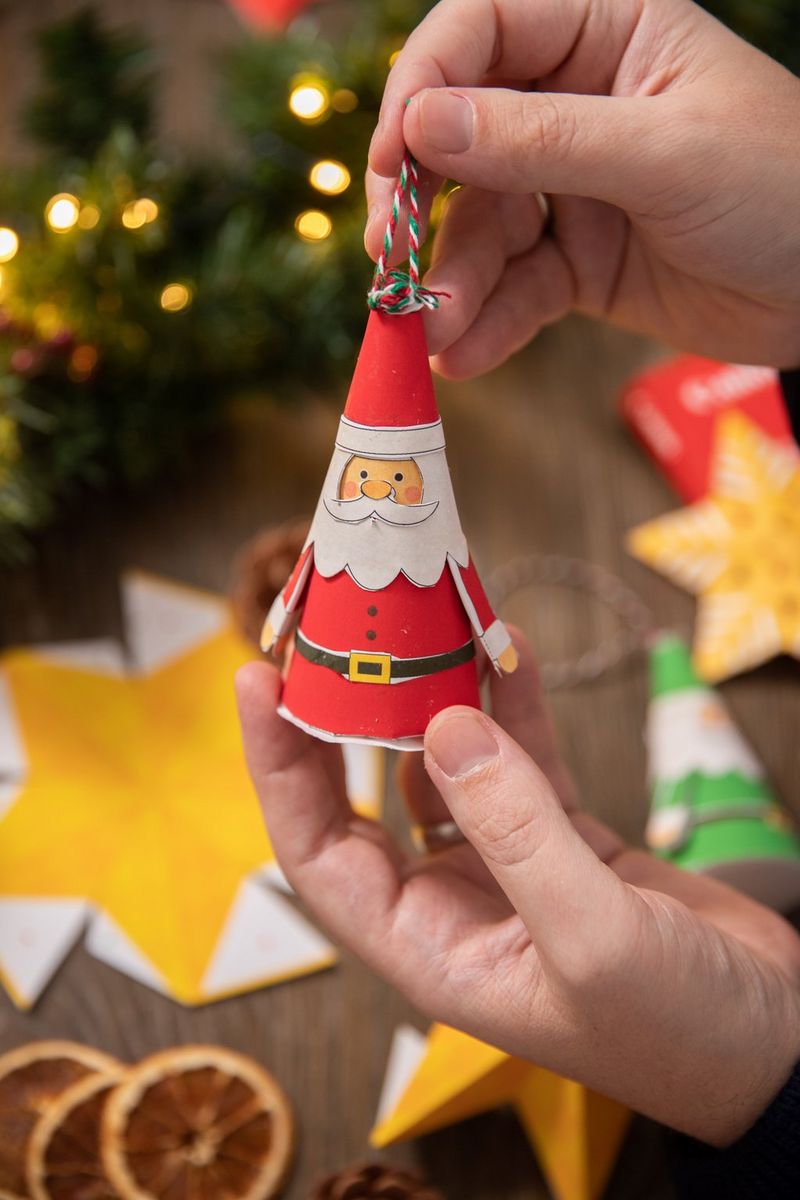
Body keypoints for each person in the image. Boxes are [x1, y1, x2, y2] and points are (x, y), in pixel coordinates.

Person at [237, 2, 800, 1194]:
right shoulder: (351, 520)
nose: (380, 487)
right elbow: (306, 576)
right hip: (347, 676)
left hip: (423, 686)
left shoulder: (419, 521)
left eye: (391, 476)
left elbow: (459, 584)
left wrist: (760, 1075)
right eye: (371, 475)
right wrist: (290, 621)